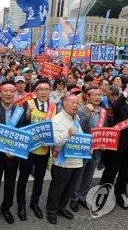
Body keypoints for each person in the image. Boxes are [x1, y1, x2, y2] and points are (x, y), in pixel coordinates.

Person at [0, 81, 29, 225]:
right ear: (0, 93)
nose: (9, 94)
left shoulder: (20, 111)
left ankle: (6, 208)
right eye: (6, 91)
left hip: (12, 155)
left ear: (15, 93)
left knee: (10, 184)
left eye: (12, 91)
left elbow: (22, 133)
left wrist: (15, 150)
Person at [98, 83, 128, 209]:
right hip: (117, 147)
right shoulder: (119, 105)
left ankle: (120, 194)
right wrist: (125, 92)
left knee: (125, 174)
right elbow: (116, 106)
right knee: (110, 173)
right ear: (126, 93)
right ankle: (101, 195)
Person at [16, 79, 57, 221]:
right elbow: (20, 125)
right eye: (41, 89)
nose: (44, 92)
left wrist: (50, 140)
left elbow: (54, 128)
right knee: (23, 178)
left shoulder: (53, 107)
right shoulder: (28, 103)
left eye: (47, 89)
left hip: (43, 150)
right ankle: (21, 205)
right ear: (36, 91)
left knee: (39, 179)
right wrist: (27, 114)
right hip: (28, 149)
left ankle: (34, 203)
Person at [46, 94, 83, 224]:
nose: (75, 105)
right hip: (62, 162)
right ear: (64, 104)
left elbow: (81, 137)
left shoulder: (76, 118)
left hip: (77, 160)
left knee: (70, 188)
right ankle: (51, 210)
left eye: (77, 103)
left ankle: (62, 207)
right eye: (72, 102)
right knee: (57, 187)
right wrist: (67, 133)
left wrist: (87, 147)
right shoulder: (56, 119)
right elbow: (54, 141)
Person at [71, 85, 105, 212]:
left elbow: (104, 130)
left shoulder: (103, 112)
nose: (97, 97)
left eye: (99, 95)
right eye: (94, 95)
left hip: (96, 150)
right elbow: (80, 129)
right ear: (88, 97)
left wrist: (103, 143)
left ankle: (82, 196)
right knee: (79, 175)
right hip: (83, 149)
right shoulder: (80, 110)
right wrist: (88, 114)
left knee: (89, 175)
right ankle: (74, 198)